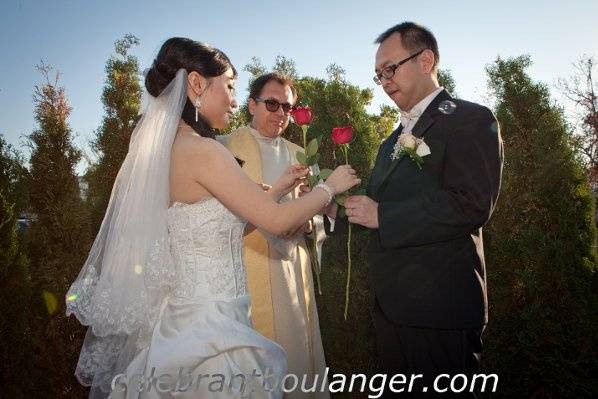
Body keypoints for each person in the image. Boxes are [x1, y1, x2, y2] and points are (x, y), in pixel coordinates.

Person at [66, 37, 359, 399]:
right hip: (212, 332)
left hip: (186, 321)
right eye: (230, 86)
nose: (235, 100)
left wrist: (277, 190)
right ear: (196, 84)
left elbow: (221, 225)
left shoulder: (170, 150)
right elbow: (278, 223)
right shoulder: (206, 151)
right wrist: (329, 188)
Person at [325, 22, 504, 397]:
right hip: (393, 310)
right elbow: (375, 207)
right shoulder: (391, 139)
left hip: (441, 312)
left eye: (390, 68)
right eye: (379, 75)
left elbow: (471, 203)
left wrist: (383, 216)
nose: (385, 81)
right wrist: (328, 213)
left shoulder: (470, 119)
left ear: (426, 60)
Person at [218, 72, 331, 399]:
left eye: (288, 107)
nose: (281, 113)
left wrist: (309, 224)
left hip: (290, 270)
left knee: (295, 351)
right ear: (251, 104)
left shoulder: (301, 154)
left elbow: (316, 214)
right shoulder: (224, 148)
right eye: (272, 104)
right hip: (245, 264)